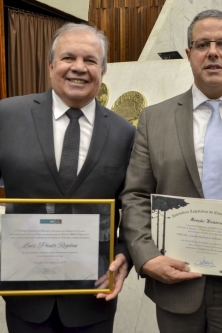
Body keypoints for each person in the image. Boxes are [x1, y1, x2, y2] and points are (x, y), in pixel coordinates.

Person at [121, 9, 222, 333]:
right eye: (202, 45)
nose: (213, 52)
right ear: (188, 54)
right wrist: (146, 256)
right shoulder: (154, 119)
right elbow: (136, 194)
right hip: (174, 280)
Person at [0, 23, 135, 332]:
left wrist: (125, 254)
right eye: (68, 58)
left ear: (103, 70)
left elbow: (133, 204)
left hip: (93, 295)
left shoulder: (124, 133)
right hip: (25, 294)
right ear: (50, 66)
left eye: (90, 60)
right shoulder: (7, 116)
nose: (78, 68)